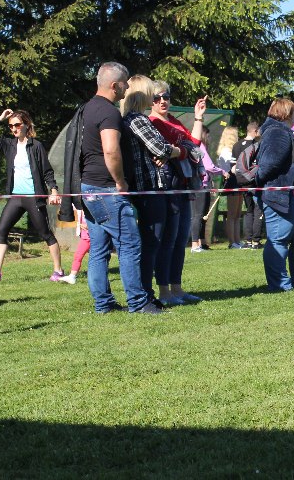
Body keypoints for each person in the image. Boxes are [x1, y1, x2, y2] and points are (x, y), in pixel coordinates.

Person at [78, 62, 162, 314]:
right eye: (125, 83)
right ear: (115, 85)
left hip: (88, 187)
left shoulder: (86, 108)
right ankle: (138, 302)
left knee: (99, 249)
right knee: (129, 244)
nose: (127, 87)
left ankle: (103, 304)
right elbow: (110, 150)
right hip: (106, 189)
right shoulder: (109, 112)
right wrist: (120, 181)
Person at [0, 109, 64, 282]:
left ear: (26, 125)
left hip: (34, 197)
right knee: (1, 231)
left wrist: (54, 190)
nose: (14, 129)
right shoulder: (8, 145)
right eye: (11, 126)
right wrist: (0, 119)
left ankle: (58, 271)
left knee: (45, 234)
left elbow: (47, 172)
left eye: (17, 125)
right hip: (16, 197)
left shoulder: (36, 146)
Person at [120, 74, 183, 305]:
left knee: (151, 242)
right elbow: (160, 148)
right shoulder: (138, 120)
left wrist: (168, 151)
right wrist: (176, 151)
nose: (157, 98)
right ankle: (147, 294)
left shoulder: (130, 119)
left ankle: (148, 293)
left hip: (146, 187)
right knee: (151, 243)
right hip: (148, 187)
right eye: (152, 93)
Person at [149, 80, 207, 305]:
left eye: (166, 97)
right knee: (168, 241)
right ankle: (164, 291)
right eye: (157, 98)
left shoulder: (173, 120)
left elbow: (194, 144)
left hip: (183, 185)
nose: (162, 101)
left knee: (182, 238)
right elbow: (165, 151)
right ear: (150, 101)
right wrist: (183, 151)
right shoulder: (152, 122)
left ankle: (177, 288)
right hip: (167, 187)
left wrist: (198, 117)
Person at [255, 98, 294, 291]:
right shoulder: (277, 132)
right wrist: (260, 181)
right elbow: (269, 163)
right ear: (287, 114)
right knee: (279, 240)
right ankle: (280, 285)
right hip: (280, 195)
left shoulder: (283, 131)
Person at [191, 124, 227, 252]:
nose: (209, 137)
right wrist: (223, 172)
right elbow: (209, 166)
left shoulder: (198, 147)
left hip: (204, 185)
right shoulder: (198, 146)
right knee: (198, 215)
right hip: (199, 186)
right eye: (208, 134)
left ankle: (202, 242)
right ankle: (195, 244)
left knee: (203, 215)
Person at [231, 121, 264, 250]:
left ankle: (248, 240)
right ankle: (256, 241)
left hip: (242, 182)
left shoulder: (236, 145)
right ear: (255, 131)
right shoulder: (257, 145)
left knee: (249, 211)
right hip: (255, 181)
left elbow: (233, 168)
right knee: (258, 210)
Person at [216, 125, 243, 249]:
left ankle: (238, 241)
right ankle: (232, 242)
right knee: (232, 214)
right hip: (231, 182)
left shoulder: (235, 150)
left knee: (237, 214)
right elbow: (228, 169)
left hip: (239, 181)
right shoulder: (226, 151)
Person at [58, 205, 89, 285]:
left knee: (97, 258)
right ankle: (72, 276)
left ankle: (97, 276)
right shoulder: (79, 205)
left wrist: (89, 226)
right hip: (85, 237)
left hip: (95, 236)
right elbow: (70, 204)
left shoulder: (93, 205)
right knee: (78, 256)